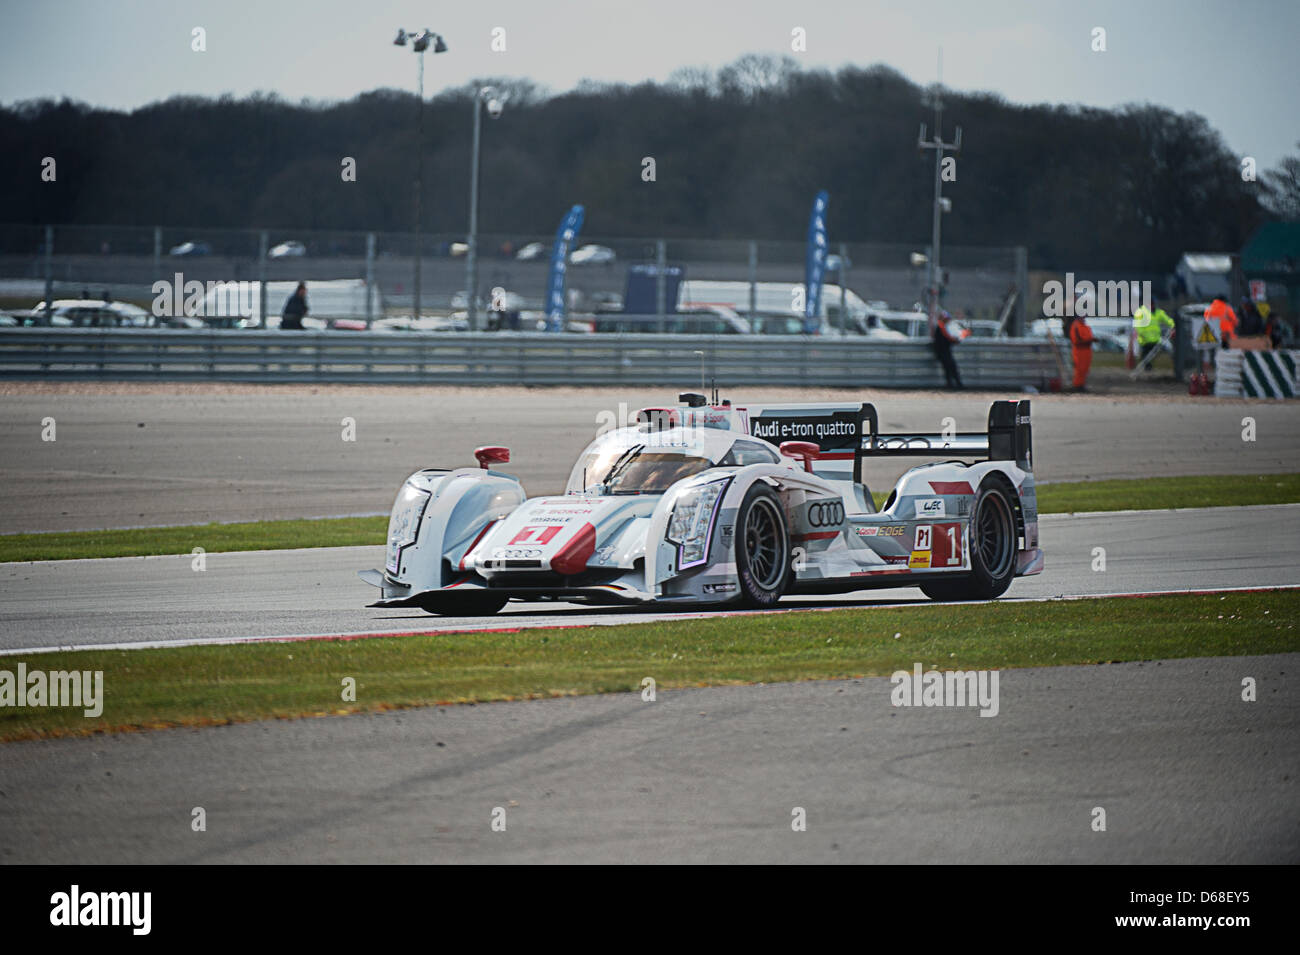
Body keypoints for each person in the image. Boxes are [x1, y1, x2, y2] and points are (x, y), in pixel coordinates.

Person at [1133, 303, 1175, 371]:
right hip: (1145, 340)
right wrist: (1143, 334)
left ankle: (1175, 362)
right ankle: (1146, 368)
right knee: (1146, 355)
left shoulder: (1158, 312)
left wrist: (1174, 326)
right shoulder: (1140, 312)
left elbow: (1168, 320)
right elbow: (1138, 326)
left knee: (1168, 349)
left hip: (1156, 339)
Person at [932, 310, 965, 389]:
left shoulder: (944, 327)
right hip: (943, 352)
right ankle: (954, 384)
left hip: (945, 352)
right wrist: (953, 341)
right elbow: (945, 340)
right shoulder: (941, 328)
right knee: (950, 367)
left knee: (950, 368)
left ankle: (953, 384)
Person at [1069, 312, 1094, 391]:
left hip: (1087, 351)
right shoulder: (1076, 326)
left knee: (1085, 369)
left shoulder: (1086, 326)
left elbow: (1089, 336)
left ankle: (1081, 385)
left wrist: (1090, 340)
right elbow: (1077, 340)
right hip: (1079, 351)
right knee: (1079, 369)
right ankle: (1077, 385)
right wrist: (1087, 341)